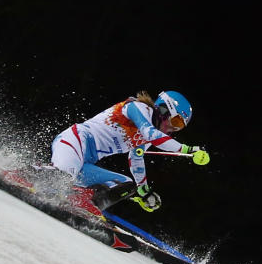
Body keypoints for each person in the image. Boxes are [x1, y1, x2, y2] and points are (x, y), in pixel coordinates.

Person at [50, 90, 210, 215]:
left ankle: (86, 206)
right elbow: (151, 135)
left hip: (85, 164)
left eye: (179, 127)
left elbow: (136, 158)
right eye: (175, 121)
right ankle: (32, 173)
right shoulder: (137, 108)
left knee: (125, 186)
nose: (173, 129)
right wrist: (188, 150)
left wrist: (144, 191)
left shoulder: (148, 136)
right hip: (73, 142)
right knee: (59, 179)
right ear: (163, 109)